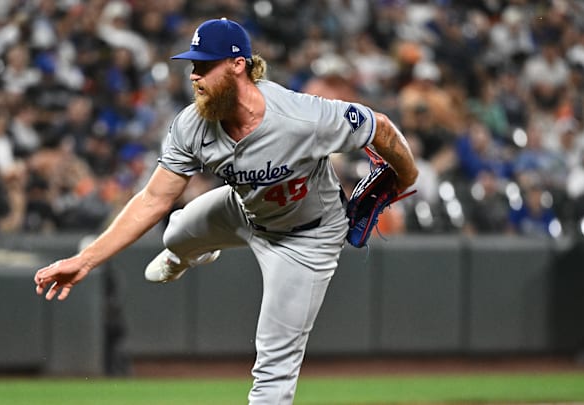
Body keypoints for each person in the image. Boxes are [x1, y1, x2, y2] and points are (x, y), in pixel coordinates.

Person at [34, 18, 418, 405]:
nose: (194, 76)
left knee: (273, 370)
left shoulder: (302, 117)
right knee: (173, 234)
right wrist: (86, 260)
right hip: (243, 210)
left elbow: (380, 127)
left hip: (307, 238)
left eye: (204, 66)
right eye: (192, 66)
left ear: (238, 65)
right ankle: (189, 253)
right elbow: (153, 200)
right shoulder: (192, 124)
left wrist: (405, 177)